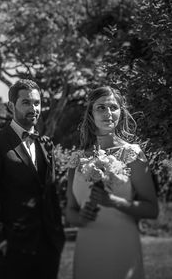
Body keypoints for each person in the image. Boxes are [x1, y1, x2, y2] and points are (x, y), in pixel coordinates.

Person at [65, 86, 159, 279]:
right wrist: (81, 218)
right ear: (90, 114)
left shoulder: (133, 154)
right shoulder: (76, 159)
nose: (108, 113)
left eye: (113, 107)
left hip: (122, 247)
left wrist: (114, 202)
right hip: (87, 247)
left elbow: (151, 209)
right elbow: (70, 211)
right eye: (101, 107)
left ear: (121, 112)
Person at [0, 79, 66, 279]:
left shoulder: (46, 144)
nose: (33, 108)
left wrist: (58, 235)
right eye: (26, 102)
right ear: (11, 106)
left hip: (49, 248)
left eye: (36, 103)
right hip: (14, 250)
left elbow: (50, 194)